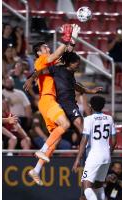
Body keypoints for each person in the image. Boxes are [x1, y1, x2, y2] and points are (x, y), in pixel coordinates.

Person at [24, 50, 102, 185]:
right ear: (69, 63)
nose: (78, 65)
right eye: (76, 63)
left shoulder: (70, 74)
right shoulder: (57, 69)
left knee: (55, 140)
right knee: (81, 125)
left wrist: (90, 91)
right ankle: (92, 149)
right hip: (64, 103)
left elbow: (77, 86)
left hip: (68, 104)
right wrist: (31, 79)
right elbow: (40, 71)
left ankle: (36, 169)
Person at [22, 24, 81, 185]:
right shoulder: (41, 60)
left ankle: (36, 170)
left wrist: (73, 36)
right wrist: (66, 38)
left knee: (56, 137)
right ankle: (41, 150)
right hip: (47, 99)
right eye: (44, 47)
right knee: (66, 124)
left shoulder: (51, 65)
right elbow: (56, 53)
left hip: (48, 102)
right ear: (38, 52)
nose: (47, 47)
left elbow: (65, 54)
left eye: (47, 46)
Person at [72, 96, 117, 200]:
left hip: (94, 156)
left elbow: (84, 140)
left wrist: (77, 159)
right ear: (103, 106)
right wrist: (108, 153)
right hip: (106, 157)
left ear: (90, 106)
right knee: (98, 186)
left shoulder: (88, 119)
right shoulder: (109, 118)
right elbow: (114, 142)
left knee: (86, 185)